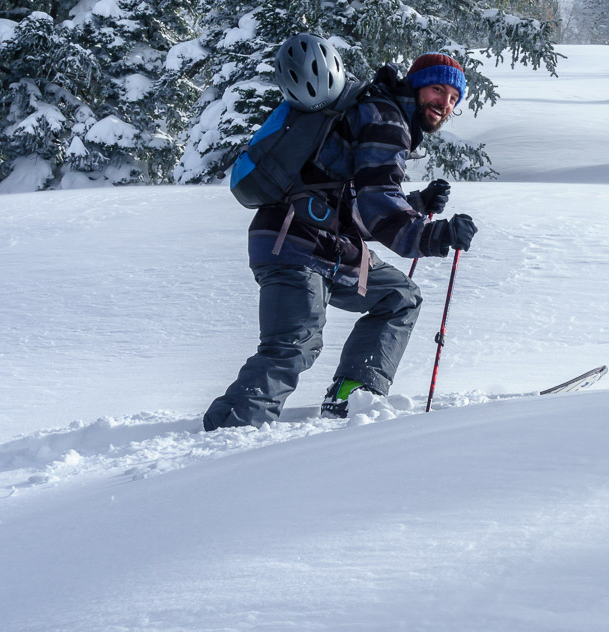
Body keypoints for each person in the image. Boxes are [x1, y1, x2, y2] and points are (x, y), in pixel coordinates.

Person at [203, 39, 478, 431]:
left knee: (399, 297)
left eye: (453, 97)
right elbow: (378, 205)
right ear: (416, 86)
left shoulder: (380, 115)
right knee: (293, 344)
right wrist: (436, 235)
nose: (444, 103)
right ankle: (229, 433)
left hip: (325, 244)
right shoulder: (386, 118)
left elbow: (350, 202)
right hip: (293, 240)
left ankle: (352, 395)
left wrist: (416, 203)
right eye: (437, 90)